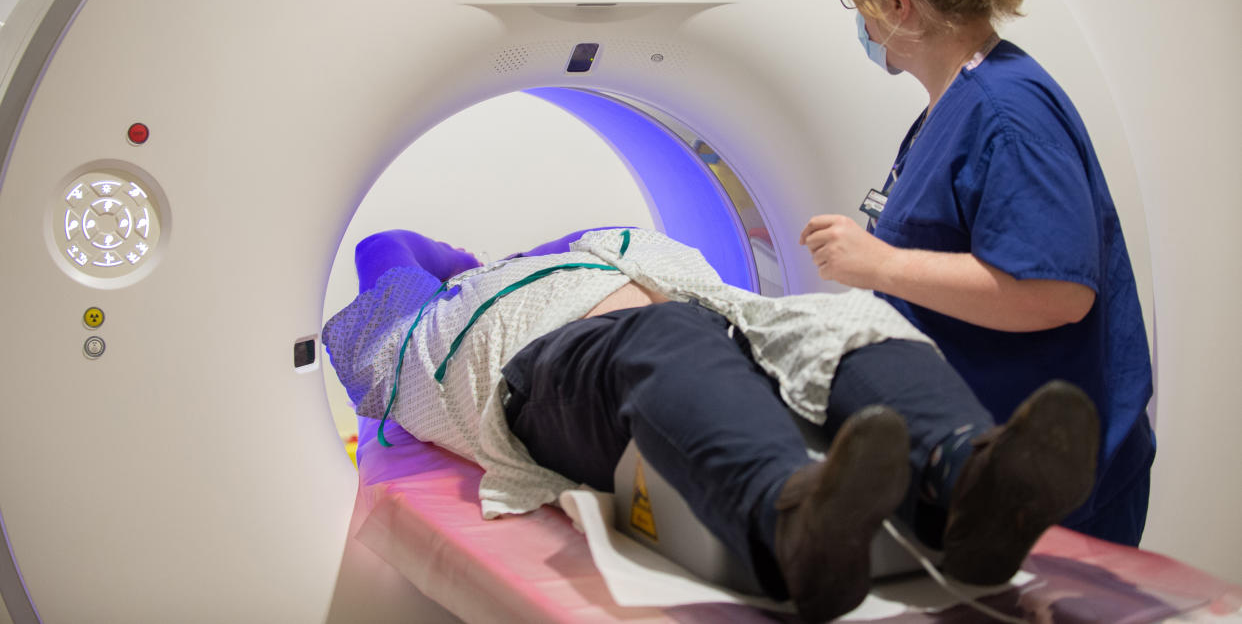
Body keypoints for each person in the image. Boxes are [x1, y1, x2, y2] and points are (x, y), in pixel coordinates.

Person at [324, 226, 1099, 622]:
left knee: (836, 318)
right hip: (553, 378)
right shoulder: (417, 318)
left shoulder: (602, 248)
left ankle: (964, 481)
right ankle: (788, 523)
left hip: (719, 330)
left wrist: (546, 246)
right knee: (666, 340)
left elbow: (629, 240)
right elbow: (384, 246)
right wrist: (470, 260)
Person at [801, 0, 1155, 547]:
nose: (860, 22)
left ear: (897, 3)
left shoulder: (1007, 112)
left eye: (858, 3)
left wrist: (880, 263)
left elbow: (1058, 294)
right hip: (983, 450)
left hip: (1052, 479)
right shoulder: (961, 96)